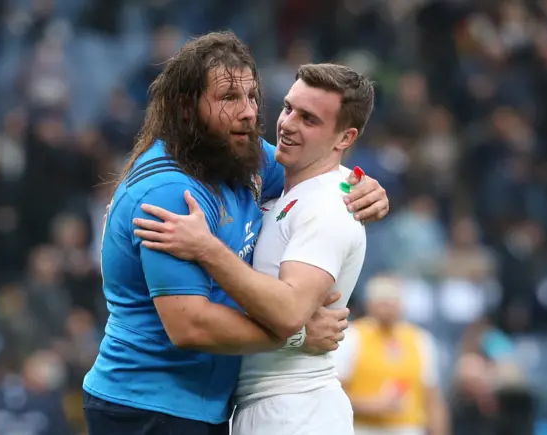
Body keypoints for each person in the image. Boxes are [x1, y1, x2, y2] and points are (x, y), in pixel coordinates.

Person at [82, 31, 390, 435]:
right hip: (147, 404)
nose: (248, 113)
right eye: (228, 99)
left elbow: (316, 173)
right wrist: (294, 335)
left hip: (209, 405)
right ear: (187, 109)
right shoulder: (170, 195)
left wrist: (362, 186)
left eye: (251, 96)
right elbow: (189, 326)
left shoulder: (241, 154)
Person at [332, 275, 450, 435]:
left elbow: (433, 399)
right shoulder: (352, 336)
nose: (388, 306)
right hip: (362, 429)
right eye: (382, 300)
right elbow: (333, 393)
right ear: (369, 304)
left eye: (394, 300)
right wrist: (372, 405)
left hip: (409, 429)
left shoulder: (419, 339)